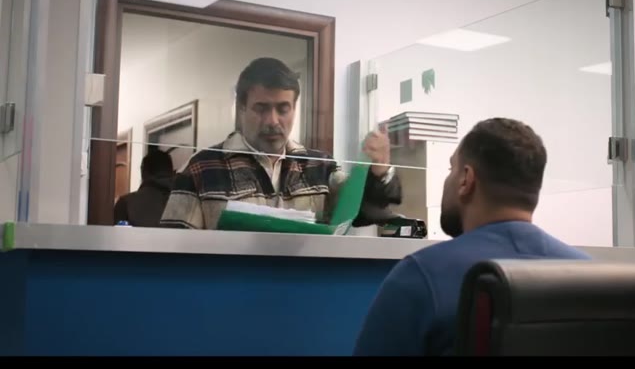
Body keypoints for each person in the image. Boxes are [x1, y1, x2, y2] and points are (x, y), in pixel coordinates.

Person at [352, 117, 591, 356]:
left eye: (451, 169)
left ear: (466, 180)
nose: (448, 178)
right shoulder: (586, 277)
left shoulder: (421, 276)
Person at [160, 57, 401, 230]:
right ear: (242, 108)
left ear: (294, 108)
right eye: (261, 108)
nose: (272, 121)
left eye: (283, 109)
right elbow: (174, 249)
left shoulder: (319, 166)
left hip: (303, 285)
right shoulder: (202, 167)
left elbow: (365, 213)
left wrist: (380, 171)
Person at [114, 149, 175, 227]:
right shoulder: (185, 204)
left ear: (143, 172)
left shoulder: (125, 204)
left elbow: (117, 234)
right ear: (171, 173)